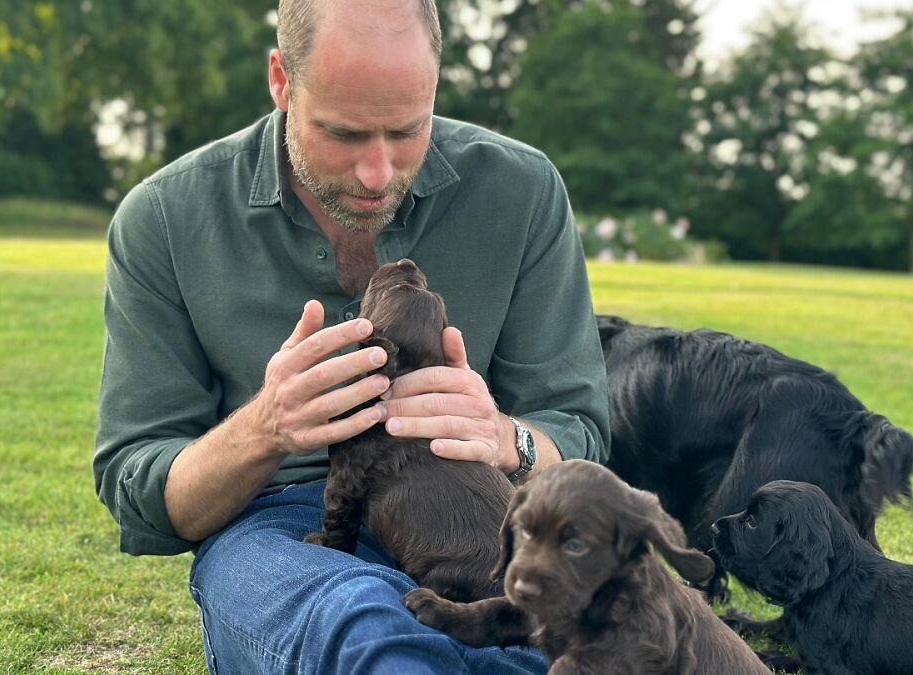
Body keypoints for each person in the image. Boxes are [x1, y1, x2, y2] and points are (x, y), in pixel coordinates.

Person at [93, 0, 609, 672]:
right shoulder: (163, 218)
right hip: (286, 526)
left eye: (407, 130)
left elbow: (580, 432)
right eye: (343, 133)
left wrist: (505, 437)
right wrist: (265, 428)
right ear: (281, 79)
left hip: (479, 516)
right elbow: (139, 486)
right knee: (365, 630)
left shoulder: (523, 189)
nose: (377, 172)